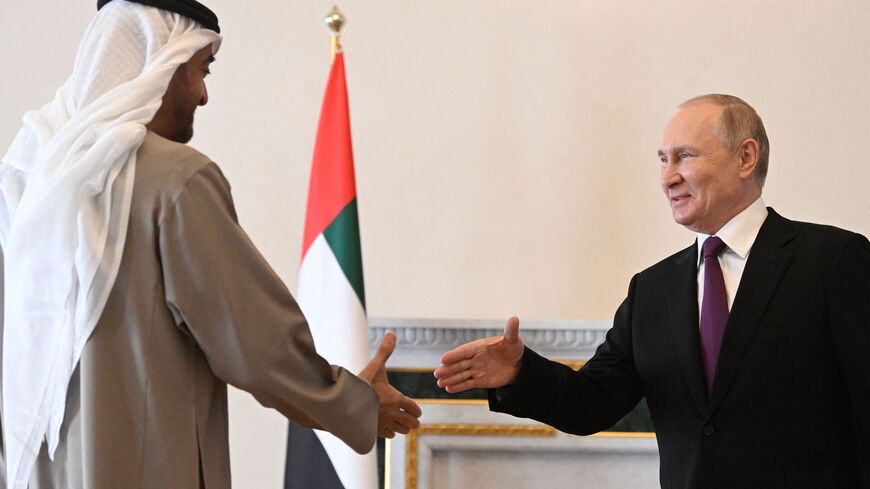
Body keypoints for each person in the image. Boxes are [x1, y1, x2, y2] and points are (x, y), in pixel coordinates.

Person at [0, 1, 420, 488]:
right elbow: (257, 344)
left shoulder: (23, 183)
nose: (202, 95)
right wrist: (355, 403)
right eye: (201, 70)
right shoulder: (176, 181)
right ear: (163, 65)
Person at [435, 94, 870, 488]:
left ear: (746, 157)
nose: (668, 178)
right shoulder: (653, 289)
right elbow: (592, 403)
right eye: (662, 160)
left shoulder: (833, 261)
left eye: (684, 156)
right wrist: (520, 372)